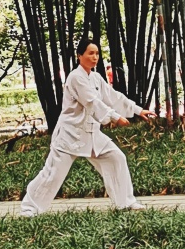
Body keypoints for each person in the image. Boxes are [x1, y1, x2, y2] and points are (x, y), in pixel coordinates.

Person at [20, 37, 155, 218]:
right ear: (79, 56)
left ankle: (125, 202)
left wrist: (138, 110)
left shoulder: (96, 78)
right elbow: (92, 102)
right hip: (70, 134)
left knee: (116, 158)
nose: (95, 57)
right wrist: (115, 118)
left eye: (97, 53)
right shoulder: (76, 78)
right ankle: (29, 208)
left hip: (92, 134)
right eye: (90, 53)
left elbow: (113, 97)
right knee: (53, 174)